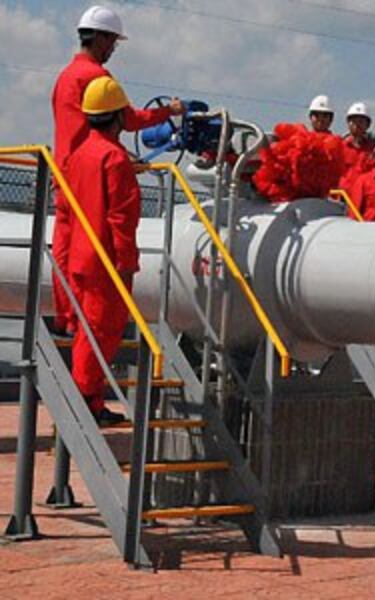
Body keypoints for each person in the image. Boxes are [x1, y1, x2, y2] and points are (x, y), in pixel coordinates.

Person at [51, 5, 183, 335]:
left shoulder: (65, 76)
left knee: (65, 249)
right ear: (100, 38)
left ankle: (66, 316)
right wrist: (170, 111)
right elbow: (130, 119)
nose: (112, 49)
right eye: (112, 42)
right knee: (93, 253)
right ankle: (88, 329)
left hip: (66, 174)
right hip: (94, 176)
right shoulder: (96, 78)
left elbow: (83, 127)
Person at [65, 76, 144, 426]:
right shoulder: (114, 158)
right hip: (107, 262)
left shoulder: (79, 154)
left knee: (87, 329)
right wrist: (127, 263)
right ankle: (84, 400)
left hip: (80, 256)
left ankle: (89, 400)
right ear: (116, 117)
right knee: (102, 332)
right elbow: (121, 218)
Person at [339, 101, 375, 195]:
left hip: (365, 198)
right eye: (354, 120)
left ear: (368, 125)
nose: (357, 124)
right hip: (341, 197)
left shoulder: (374, 150)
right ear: (348, 123)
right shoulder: (339, 146)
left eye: (361, 121)